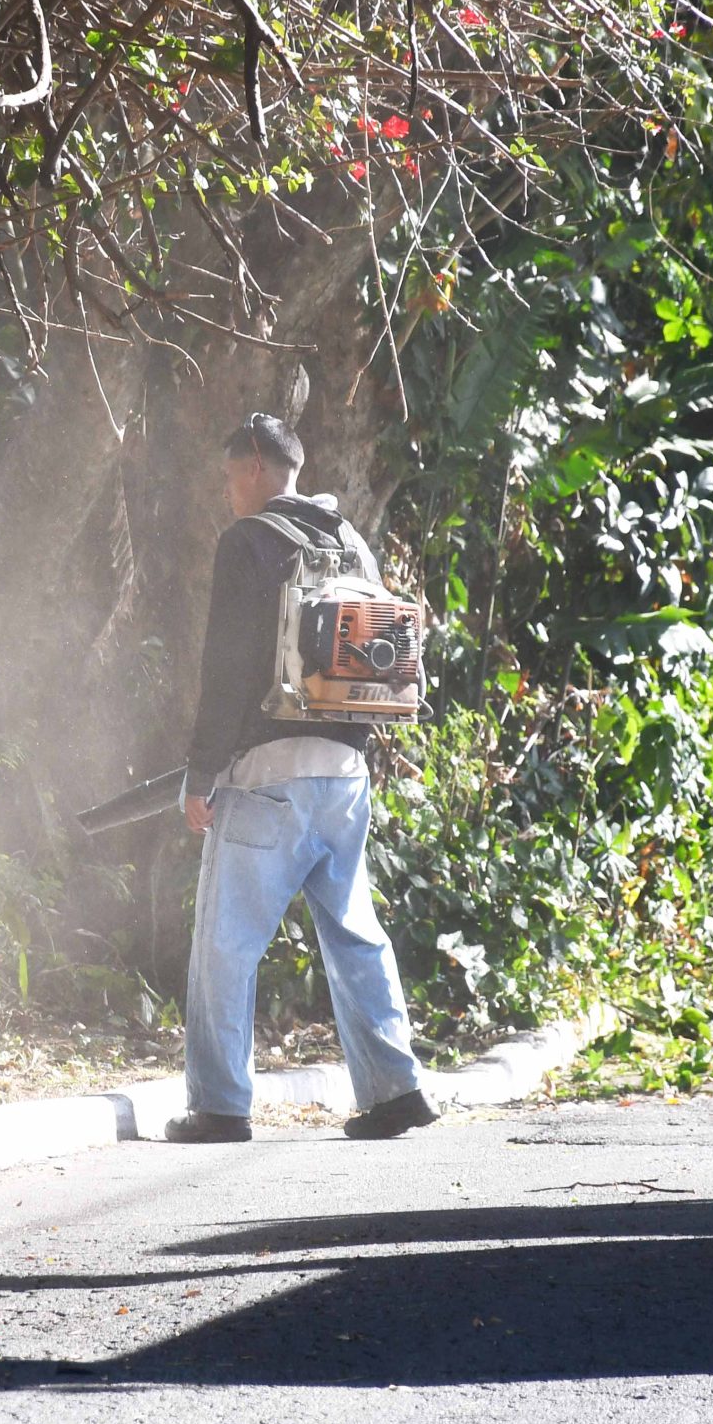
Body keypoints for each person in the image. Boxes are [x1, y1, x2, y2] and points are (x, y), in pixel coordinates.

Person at [167, 413, 436, 1144]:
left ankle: (220, 1106)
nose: (229, 494)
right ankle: (395, 1090)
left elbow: (224, 671)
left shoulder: (248, 541)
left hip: (269, 777)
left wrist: (201, 772)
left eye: (230, 478)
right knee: (354, 934)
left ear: (255, 464)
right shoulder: (351, 544)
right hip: (348, 775)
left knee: (225, 942)